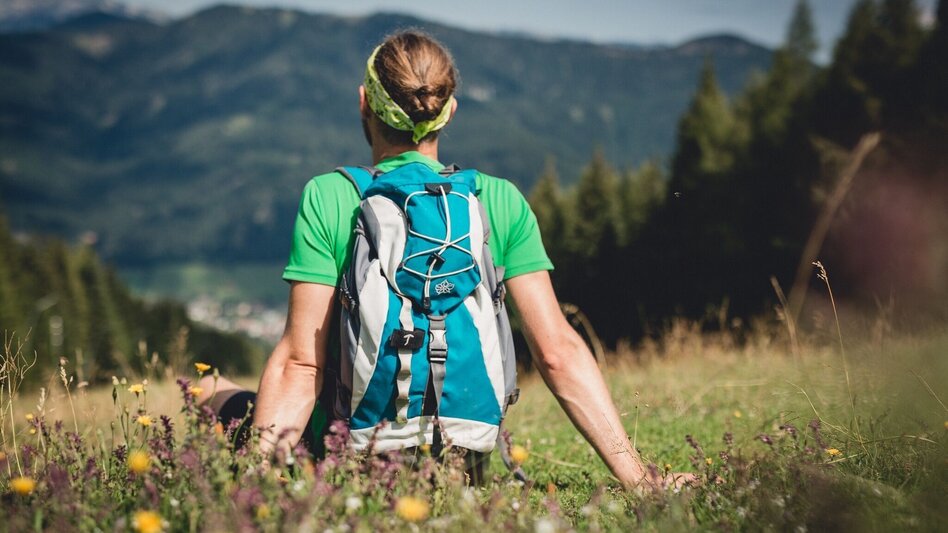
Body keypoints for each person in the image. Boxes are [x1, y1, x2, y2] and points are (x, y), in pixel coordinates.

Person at [200, 30, 691, 490]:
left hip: (351, 461)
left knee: (207, 389)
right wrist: (641, 481)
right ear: (449, 110)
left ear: (364, 102)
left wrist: (258, 489)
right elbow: (557, 352)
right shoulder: (497, 200)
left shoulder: (331, 196)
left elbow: (300, 363)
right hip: (462, 464)